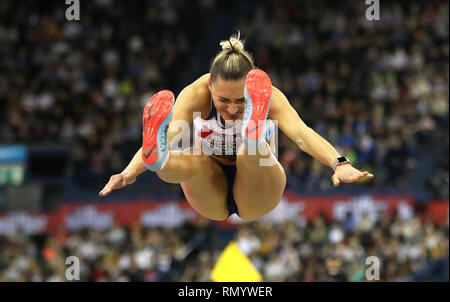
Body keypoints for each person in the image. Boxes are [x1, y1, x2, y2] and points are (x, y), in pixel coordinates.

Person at [99, 33, 373, 221]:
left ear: (253, 93)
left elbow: (302, 135)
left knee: (248, 151)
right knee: (187, 156)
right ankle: (159, 163)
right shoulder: (195, 94)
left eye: (241, 101)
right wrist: (129, 172)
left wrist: (339, 163)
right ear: (209, 87)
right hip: (210, 186)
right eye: (223, 100)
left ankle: (252, 139)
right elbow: (167, 135)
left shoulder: (271, 96)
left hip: (259, 184)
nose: (231, 109)